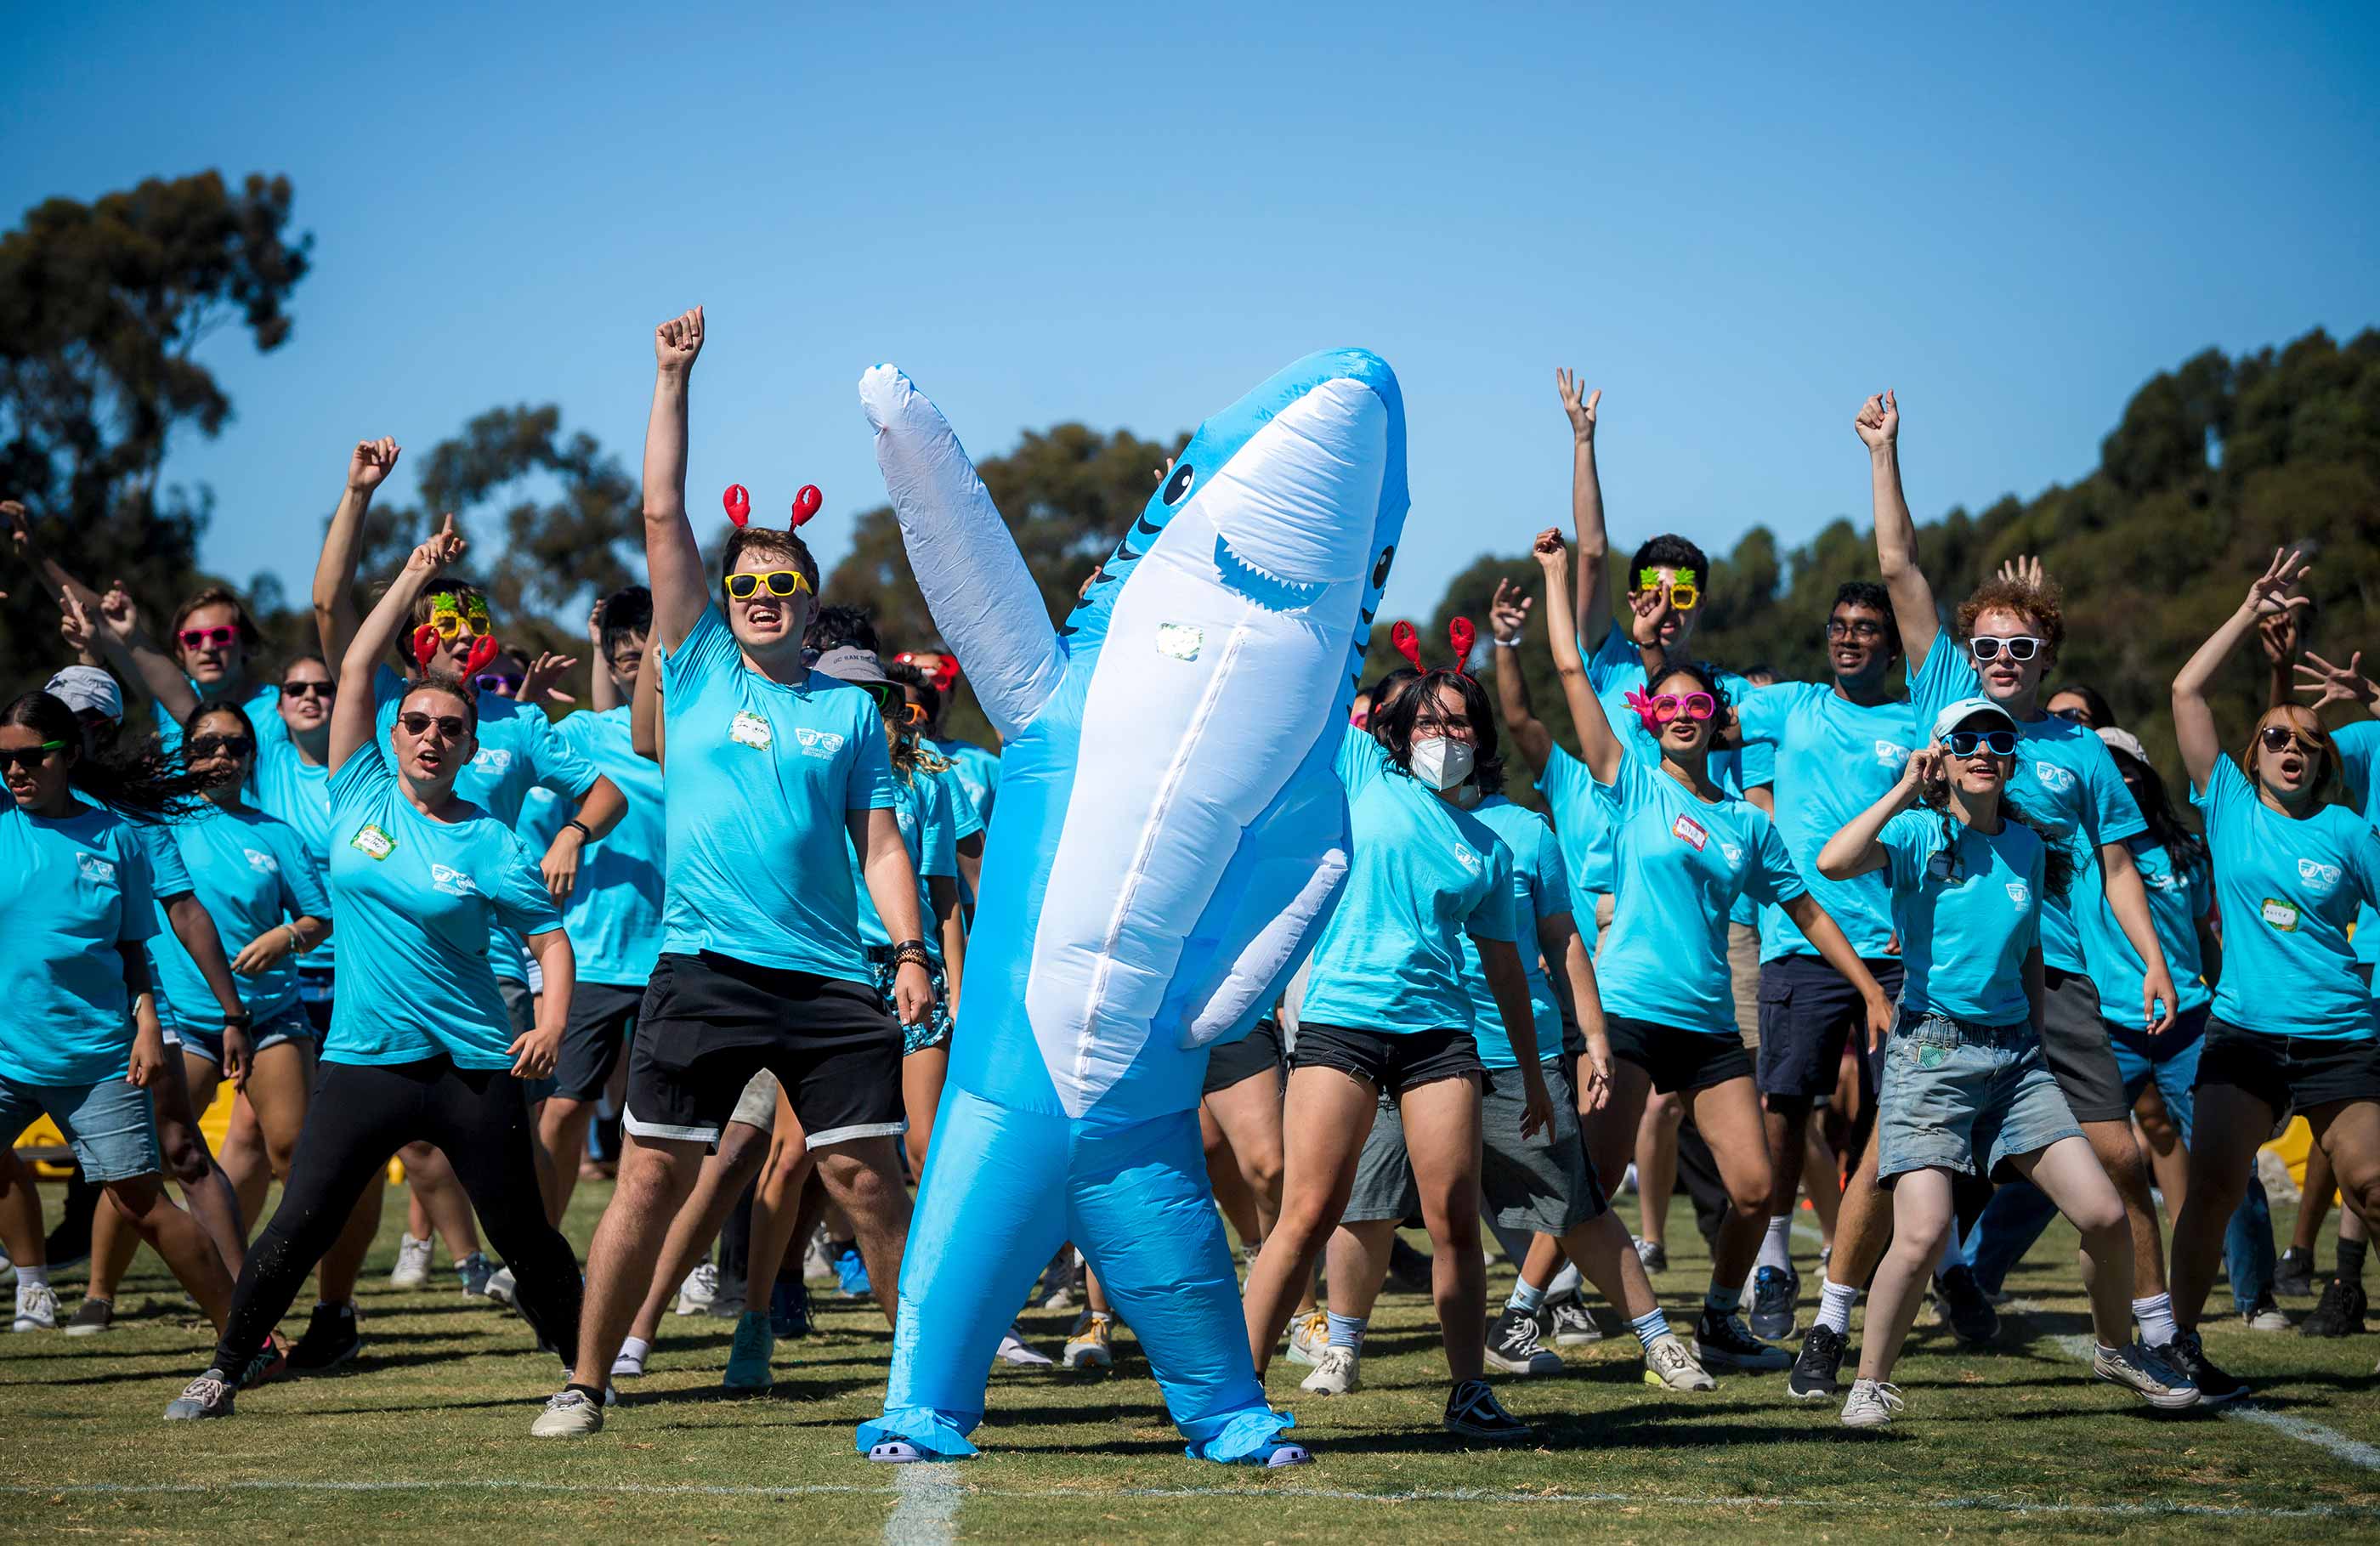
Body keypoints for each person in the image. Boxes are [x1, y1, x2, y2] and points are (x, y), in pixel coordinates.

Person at [536, 308, 926, 1438]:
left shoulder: (851, 712)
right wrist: (670, 375)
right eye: (746, 581)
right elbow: (662, 510)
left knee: (869, 1190)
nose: (760, 596)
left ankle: (920, 1392)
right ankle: (587, 1378)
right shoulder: (698, 663)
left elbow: (883, 846)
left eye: (781, 585)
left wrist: (906, 951)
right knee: (651, 1180)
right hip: (702, 970)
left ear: (809, 600)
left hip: (827, 983)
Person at [162, 518, 586, 1421]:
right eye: (419, 723)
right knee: (298, 1221)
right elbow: (352, 666)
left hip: (473, 1066)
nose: (433, 736)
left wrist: (548, 1023)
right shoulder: (357, 786)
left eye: (452, 729)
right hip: (361, 1059)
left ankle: (588, 1375)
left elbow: (550, 940)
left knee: (524, 1235)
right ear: (395, 734)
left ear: (472, 747)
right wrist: (413, 573)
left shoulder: (492, 842)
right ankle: (226, 1369)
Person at [1847, 390, 2184, 1361]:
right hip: (1940, 969)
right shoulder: (1946, 692)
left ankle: (2144, 1336)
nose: (1997, 660)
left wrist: (2153, 962)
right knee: (1891, 1171)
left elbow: (2118, 867)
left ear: (2045, 657)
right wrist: (1885, 453)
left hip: (2057, 977)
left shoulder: (2077, 750)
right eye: (1985, 644)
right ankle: (1837, 1317)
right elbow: (1898, 565)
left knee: (2117, 1165)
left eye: (2017, 647)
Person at [1533, 529, 1892, 1373]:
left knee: (1757, 1187)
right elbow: (1570, 672)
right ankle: (1602, 1323)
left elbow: (1807, 911)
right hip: (1625, 1014)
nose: (1686, 716)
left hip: (1705, 1029)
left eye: (1702, 708)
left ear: (1715, 721)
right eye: (1671, 707)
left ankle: (1720, 1320)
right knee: (1592, 1175)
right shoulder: (1628, 780)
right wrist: (1557, 576)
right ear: (1651, 719)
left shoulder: (1747, 821)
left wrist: (1869, 991)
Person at [1813, 699, 2199, 1425]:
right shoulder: (1918, 830)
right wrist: (1904, 786)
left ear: (2012, 758)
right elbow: (1833, 861)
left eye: (1997, 739)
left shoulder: (2027, 844)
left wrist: (2036, 1042)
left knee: (2106, 1212)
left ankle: (2116, 1347)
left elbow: (2030, 950)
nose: (1983, 749)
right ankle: (1870, 1381)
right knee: (1923, 1232)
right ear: (1943, 756)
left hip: (2016, 1059)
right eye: (1966, 740)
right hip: (1930, 1053)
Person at [312, 434, 626, 1311]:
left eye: (474, 624)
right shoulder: (390, 721)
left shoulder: (515, 727)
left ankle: (530, 1278)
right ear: (416, 639)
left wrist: (570, 832)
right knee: (392, 1151)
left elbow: (610, 792)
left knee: (504, 1155)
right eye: (442, 625)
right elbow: (333, 611)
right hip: (392, 975)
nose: (461, 637)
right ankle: (382, 1286)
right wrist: (363, 498)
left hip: (497, 970)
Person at [1239, 664, 1556, 1441]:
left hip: (1442, 1038)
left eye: (1458, 724)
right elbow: (1319, 683)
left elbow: (1508, 968)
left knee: (1454, 1221)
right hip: (1341, 1024)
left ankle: (1470, 1393)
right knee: (1307, 1213)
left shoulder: (1491, 847)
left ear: (1480, 739)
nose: (1443, 738)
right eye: (1427, 723)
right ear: (1395, 732)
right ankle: (1233, 1397)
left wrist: (1535, 1076)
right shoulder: (1361, 773)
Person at [2163, 551, 2380, 1402]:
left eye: (2305, 743)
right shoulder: (2223, 802)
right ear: (2252, 755)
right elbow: (2186, 693)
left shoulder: (2346, 830)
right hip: (2243, 1032)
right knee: (2213, 1190)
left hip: (2339, 1035)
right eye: (2275, 738)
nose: (2290, 748)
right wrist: (2246, 611)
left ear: (2322, 762)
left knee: (2368, 1180)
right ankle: (2175, 1344)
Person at [78, 701, 332, 1336]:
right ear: (183, 752)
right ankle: (98, 1292)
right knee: (139, 1161)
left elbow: (319, 916)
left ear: (252, 757)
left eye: (235, 745)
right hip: (177, 1020)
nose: (220, 755)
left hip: (270, 1014)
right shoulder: (150, 821)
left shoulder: (277, 833)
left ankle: (299, 1300)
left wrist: (286, 937)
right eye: (205, 744)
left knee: (291, 1151)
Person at [0, 691, 239, 1344]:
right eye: (4, 760)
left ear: (69, 754)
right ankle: (32, 1281)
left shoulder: (120, 838)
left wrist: (148, 1025)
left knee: (141, 1203)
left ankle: (246, 1341)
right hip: (6, 1057)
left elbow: (134, 949)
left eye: (30, 756)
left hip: (97, 1059)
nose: (15, 771)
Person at [1730, 580, 1919, 1345]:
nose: (1849, 638)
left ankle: (1917, 1260)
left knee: (1897, 1114)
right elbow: (1703, 719)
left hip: (1901, 950)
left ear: (1893, 646)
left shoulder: (1918, 721)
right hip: (1798, 942)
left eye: (1868, 628)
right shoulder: (1792, 705)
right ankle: (1772, 1260)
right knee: (1786, 1107)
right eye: (1838, 625)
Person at [2083, 726, 2284, 1330]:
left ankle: (2257, 1296)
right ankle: (1974, 1278)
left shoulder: (2188, 853)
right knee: (2055, 1157)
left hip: (2189, 1024)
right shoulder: (2072, 850)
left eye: (2128, 767)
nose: (2119, 779)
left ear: (2146, 776)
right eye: (2106, 768)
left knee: (2230, 1162)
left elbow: (2203, 936)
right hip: (2106, 1029)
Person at [527, 589, 667, 1222]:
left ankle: (675, 1261)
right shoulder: (582, 733)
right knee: (562, 1108)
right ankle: (544, 1256)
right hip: (596, 958)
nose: (636, 664)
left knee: (668, 1125)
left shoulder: (697, 733)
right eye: (624, 657)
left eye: (648, 653)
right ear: (610, 666)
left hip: (680, 955)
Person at [2292, 641, 2380, 1334]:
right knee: (2359, 1134)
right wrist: (2283, 649)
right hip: (2369, 969)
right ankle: (2343, 1281)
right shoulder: (2371, 741)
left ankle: (2336, 1277)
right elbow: (2287, 743)